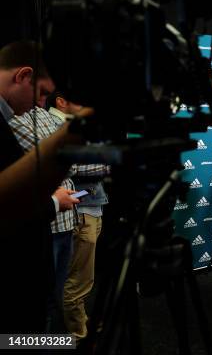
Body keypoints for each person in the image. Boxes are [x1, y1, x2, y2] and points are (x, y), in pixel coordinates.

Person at [0, 40, 79, 332]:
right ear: (23, 76)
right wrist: (54, 202)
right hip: (15, 282)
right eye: (42, 93)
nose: (40, 104)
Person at [46, 91, 110, 341]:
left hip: (90, 207)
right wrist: (109, 162)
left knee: (82, 277)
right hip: (79, 211)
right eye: (79, 99)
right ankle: (78, 334)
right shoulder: (55, 125)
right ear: (61, 101)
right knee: (76, 279)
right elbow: (71, 166)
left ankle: (80, 323)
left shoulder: (73, 125)